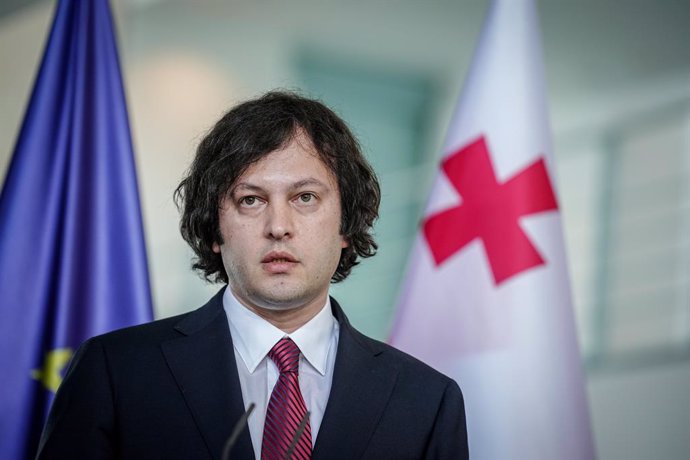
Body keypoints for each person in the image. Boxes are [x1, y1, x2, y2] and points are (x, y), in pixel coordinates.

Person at [37, 91, 469, 459]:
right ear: (214, 230)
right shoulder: (116, 372)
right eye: (250, 200)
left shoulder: (426, 399)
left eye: (304, 197)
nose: (278, 225)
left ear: (346, 227)